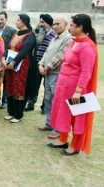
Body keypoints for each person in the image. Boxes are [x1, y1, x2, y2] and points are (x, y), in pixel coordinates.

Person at [47, 14, 98, 156]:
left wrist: (78, 90)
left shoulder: (87, 46)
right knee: (62, 113)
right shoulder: (74, 42)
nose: (69, 27)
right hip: (64, 85)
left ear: (80, 27)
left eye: (72, 25)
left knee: (77, 116)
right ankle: (63, 139)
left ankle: (75, 145)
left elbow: (86, 71)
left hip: (76, 88)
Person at [37, 16, 73, 139]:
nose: (56, 26)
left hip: (57, 73)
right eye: (54, 24)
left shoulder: (68, 39)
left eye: (58, 24)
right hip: (48, 72)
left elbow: (60, 56)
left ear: (66, 24)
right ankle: (49, 123)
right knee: (47, 98)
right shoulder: (54, 38)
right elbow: (46, 53)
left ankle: (58, 129)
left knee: (56, 101)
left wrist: (46, 67)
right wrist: (40, 64)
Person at [4, 14, 37, 123]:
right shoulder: (15, 33)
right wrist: (4, 58)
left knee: (19, 88)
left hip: (22, 66)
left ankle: (18, 114)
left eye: (18, 20)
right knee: (10, 86)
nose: (16, 22)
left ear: (24, 22)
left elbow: (24, 51)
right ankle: (11, 112)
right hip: (10, 65)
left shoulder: (30, 35)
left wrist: (14, 62)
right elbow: (8, 47)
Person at [24, 14, 56, 113]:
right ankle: (31, 104)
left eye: (43, 22)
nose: (40, 24)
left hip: (48, 65)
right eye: (40, 22)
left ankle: (45, 107)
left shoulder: (54, 35)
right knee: (34, 85)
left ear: (48, 23)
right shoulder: (38, 34)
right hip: (36, 63)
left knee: (47, 87)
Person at [0, 11, 17, 109]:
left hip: (7, 60)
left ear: (6, 20)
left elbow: (13, 46)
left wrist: (6, 60)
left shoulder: (12, 31)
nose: (0, 21)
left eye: (2, 19)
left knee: (6, 81)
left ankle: (5, 101)